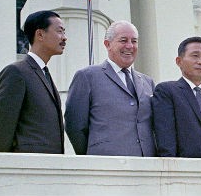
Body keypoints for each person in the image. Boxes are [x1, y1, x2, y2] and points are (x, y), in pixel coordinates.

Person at [65, 21, 156, 156]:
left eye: (134, 41)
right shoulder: (87, 77)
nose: (130, 46)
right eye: (123, 40)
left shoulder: (148, 82)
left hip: (147, 165)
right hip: (106, 164)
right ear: (108, 44)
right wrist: (92, 154)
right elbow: (75, 125)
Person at [0, 10, 66, 153]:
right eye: (59, 31)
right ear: (40, 34)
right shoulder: (16, 72)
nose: (64, 38)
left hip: (50, 167)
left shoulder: (45, 74)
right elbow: (1, 127)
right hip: (27, 168)